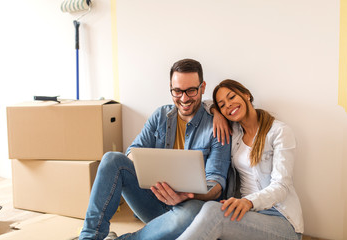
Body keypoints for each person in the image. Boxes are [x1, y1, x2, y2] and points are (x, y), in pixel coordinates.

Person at [78, 59, 231, 240]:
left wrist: (187, 195)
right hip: (154, 201)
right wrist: (147, 170)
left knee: (194, 213)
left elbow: (216, 184)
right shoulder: (160, 116)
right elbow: (133, 151)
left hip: (188, 210)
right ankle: (89, 237)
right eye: (177, 91)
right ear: (170, 87)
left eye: (191, 90)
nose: (184, 98)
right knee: (112, 159)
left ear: (202, 87)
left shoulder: (217, 127)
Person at [177, 79, 304, 240]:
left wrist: (248, 202)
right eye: (222, 105)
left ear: (246, 95)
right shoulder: (234, 133)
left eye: (231, 97)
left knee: (213, 211)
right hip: (247, 217)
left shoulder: (279, 132)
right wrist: (217, 113)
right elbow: (204, 104)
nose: (228, 105)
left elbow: (281, 186)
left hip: (281, 220)